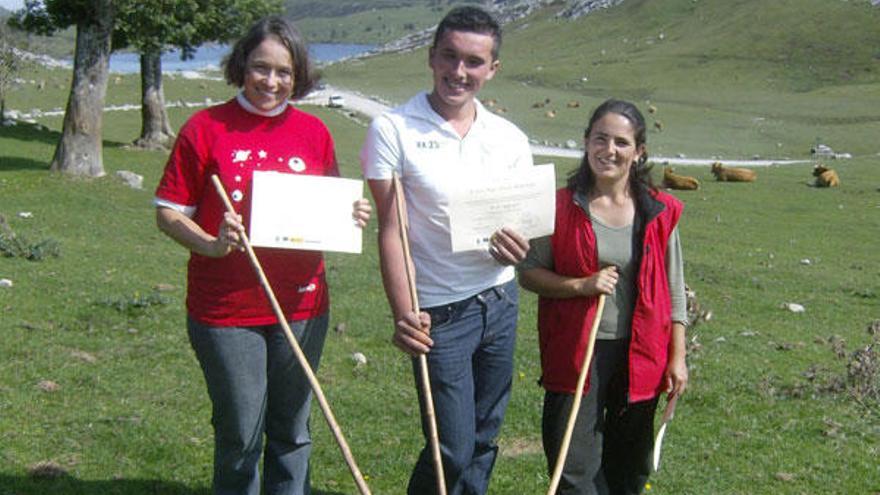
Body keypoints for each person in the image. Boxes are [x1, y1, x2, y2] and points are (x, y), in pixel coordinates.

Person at [153, 16, 371, 495]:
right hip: (226, 310)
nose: (272, 82)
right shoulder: (205, 127)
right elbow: (169, 213)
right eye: (260, 68)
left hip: (302, 305)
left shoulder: (315, 132)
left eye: (284, 72)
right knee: (241, 431)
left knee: (293, 430)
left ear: (299, 75)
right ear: (241, 65)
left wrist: (350, 212)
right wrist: (211, 243)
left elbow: (327, 207)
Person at [360, 6, 533, 495]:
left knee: (484, 437)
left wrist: (515, 246)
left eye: (474, 62)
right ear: (431, 56)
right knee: (451, 445)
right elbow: (390, 229)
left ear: (492, 69)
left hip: (499, 300)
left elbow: (521, 223)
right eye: (449, 57)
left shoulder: (509, 139)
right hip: (439, 311)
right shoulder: (393, 130)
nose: (459, 72)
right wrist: (404, 312)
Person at [518, 99, 689, 495]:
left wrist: (677, 358)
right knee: (573, 470)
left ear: (639, 151)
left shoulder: (660, 210)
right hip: (578, 352)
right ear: (585, 141)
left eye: (621, 142)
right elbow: (529, 272)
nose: (608, 150)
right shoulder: (559, 206)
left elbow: (674, 289)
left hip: (641, 354)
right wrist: (581, 285)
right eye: (600, 138)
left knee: (628, 470)